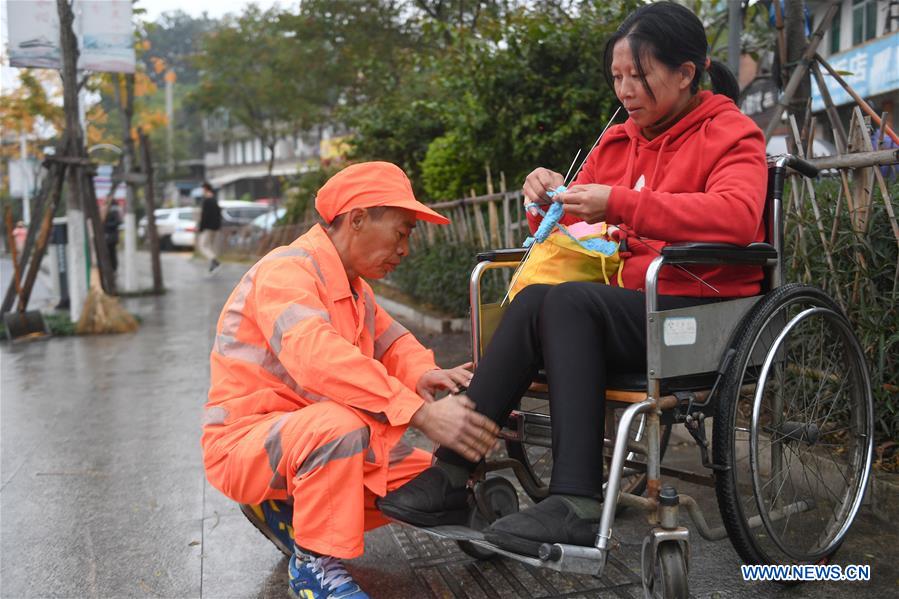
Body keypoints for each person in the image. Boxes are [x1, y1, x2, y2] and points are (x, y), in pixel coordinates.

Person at [379, 1, 768, 557]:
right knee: (540, 296)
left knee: (566, 304)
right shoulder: (617, 141)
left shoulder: (732, 134)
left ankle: (576, 501)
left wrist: (624, 203)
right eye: (617, 77)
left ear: (686, 73)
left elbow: (735, 217)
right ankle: (452, 472)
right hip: (624, 302)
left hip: (694, 308)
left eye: (640, 75)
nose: (626, 90)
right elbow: (575, 225)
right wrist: (546, 200)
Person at [201, 161, 499, 599]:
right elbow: (315, 355)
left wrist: (425, 375)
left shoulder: (355, 288)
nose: (405, 248)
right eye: (401, 231)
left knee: (429, 482)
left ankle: (288, 512)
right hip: (249, 444)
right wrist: (419, 413)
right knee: (342, 428)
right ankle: (313, 566)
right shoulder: (286, 272)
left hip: (312, 442)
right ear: (358, 218)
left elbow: (394, 343)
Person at [198, 181, 222, 272]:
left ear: (205, 189)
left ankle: (214, 261)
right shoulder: (215, 200)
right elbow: (219, 215)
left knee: (203, 246)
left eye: (202, 189)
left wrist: (201, 228)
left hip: (207, 228)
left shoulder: (207, 201)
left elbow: (204, 216)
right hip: (215, 228)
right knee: (210, 246)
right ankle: (213, 264)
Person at [104, 204, 121, 272]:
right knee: (108, 253)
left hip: (112, 237)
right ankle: (109, 267)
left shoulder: (114, 212)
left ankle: (114, 268)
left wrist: (106, 225)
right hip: (106, 237)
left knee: (112, 253)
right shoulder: (104, 212)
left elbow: (117, 222)